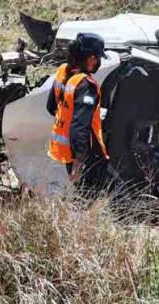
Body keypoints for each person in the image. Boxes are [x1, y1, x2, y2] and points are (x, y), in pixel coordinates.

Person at [47, 32, 110, 190]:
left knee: (81, 195)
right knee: (88, 199)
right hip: (83, 155)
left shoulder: (62, 72)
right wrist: (79, 161)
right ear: (91, 59)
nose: (99, 62)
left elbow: (51, 107)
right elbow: (79, 126)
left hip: (68, 151)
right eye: (98, 57)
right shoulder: (86, 85)